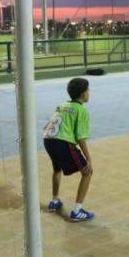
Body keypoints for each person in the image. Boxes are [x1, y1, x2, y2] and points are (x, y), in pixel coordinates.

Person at [42, 77, 95, 222]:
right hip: (62, 143)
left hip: (48, 139)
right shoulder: (81, 110)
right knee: (87, 172)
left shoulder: (62, 105)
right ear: (83, 93)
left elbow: (48, 124)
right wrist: (88, 159)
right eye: (88, 90)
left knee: (57, 169)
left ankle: (54, 201)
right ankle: (77, 211)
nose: (89, 93)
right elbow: (80, 138)